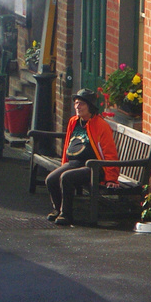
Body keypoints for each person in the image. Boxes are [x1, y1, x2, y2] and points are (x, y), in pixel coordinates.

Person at [46, 88, 118, 226]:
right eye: (76, 103)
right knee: (51, 179)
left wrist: (111, 178)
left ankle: (66, 214)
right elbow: (68, 145)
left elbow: (110, 153)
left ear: (90, 106)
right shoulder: (74, 121)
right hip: (74, 162)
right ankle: (57, 209)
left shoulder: (101, 126)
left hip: (94, 166)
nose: (77, 107)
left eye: (81, 104)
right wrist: (64, 164)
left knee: (66, 177)